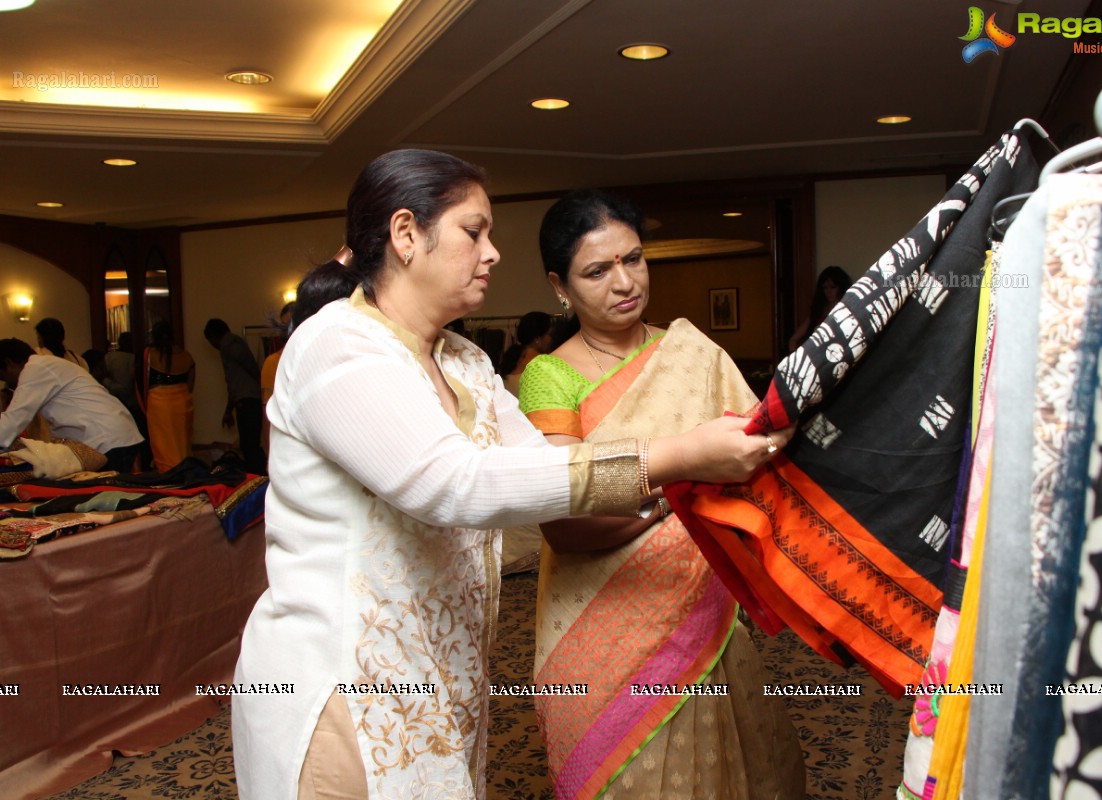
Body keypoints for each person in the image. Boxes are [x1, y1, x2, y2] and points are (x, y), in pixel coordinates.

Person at [231, 150, 787, 800]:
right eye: (475, 232)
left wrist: (692, 468)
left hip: (445, 676)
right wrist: (679, 456)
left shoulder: (463, 361)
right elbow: (456, 484)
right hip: (343, 682)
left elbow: (545, 470)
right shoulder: (338, 346)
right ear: (407, 235)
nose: (493, 253)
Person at [518, 189, 806, 800]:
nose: (624, 282)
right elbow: (564, 524)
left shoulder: (692, 352)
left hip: (703, 602)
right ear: (559, 286)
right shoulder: (551, 375)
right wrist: (679, 487)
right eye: (597, 270)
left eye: (634, 259)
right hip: (602, 622)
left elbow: (758, 461)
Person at [0, 338, 144, 472]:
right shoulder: (47, 364)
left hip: (105, 438)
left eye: (2, 376)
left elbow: (14, 419)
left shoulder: (35, 369)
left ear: (9, 363)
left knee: (105, 495)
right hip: (111, 435)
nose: (7, 382)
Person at [203, 317, 267, 475]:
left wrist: (262, 387)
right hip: (245, 400)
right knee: (248, 444)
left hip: (249, 400)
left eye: (211, 341)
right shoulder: (231, 344)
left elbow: (250, 367)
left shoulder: (230, 344)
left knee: (250, 445)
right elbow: (233, 384)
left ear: (214, 336)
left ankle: (258, 478)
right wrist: (228, 410)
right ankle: (256, 477)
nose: (213, 346)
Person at [144, 321, 195, 472]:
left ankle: (167, 473)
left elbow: (142, 381)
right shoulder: (187, 356)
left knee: (162, 444)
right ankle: (183, 471)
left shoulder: (149, 355)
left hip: (158, 402)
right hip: (183, 402)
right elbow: (190, 386)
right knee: (182, 443)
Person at [787, 264, 852, 352]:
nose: (829, 292)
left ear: (840, 287)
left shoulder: (846, 310)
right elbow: (793, 339)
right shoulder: (818, 311)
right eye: (825, 288)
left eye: (833, 287)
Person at [499, 310, 553, 394]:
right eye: (549, 334)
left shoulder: (512, 358)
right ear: (537, 339)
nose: (551, 339)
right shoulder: (542, 362)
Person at [260, 301, 295, 406]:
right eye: (284, 326)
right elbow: (268, 413)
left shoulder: (320, 357)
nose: (289, 331)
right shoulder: (273, 362)